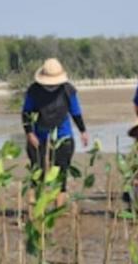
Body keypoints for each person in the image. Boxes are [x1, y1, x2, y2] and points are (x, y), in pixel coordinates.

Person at [22, 58, 89, 207]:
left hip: (63, 136)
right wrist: (29, 134)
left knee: (61, 173)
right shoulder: (34, 90)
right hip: (39, 137)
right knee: (37, 172)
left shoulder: (68, 90)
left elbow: (75, 112)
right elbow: (26, 113)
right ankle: (35, 206)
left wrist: (83, 131)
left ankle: (58, 208)